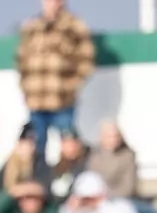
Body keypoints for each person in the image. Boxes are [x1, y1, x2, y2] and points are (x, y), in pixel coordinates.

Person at [15, 0, 96, 161]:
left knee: (69, 148)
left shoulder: (75, 25)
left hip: (62, 100)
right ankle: (39, 182)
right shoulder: (33, 26)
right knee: (37, 148)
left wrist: (73, 85)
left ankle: (69, 181)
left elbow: (87, 59)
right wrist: (25, 87)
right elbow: (21, 59)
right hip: (36, 101)